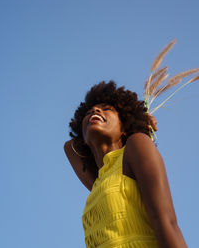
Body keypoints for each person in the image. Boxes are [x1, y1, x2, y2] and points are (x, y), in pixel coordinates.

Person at [64, 81, 188, 248]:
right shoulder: (98, 182)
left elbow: (167, 222)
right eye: (88, 112)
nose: (95, 110)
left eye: (107, 109)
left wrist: (137, 125)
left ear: (124, 126)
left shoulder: (135, 146)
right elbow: (69, 147)